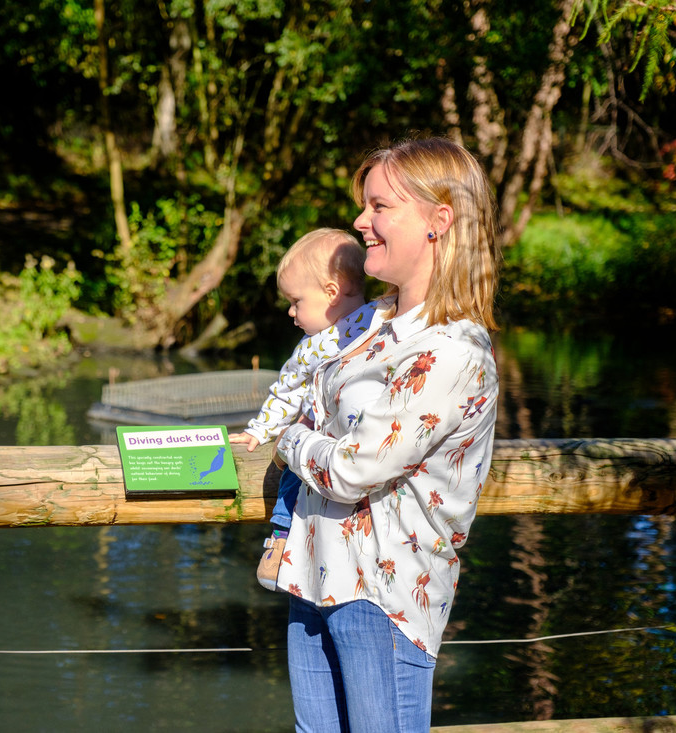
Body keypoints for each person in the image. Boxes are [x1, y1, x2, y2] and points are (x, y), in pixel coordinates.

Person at [274, 137, 501, 732]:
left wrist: (290, 441)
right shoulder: (370, 322)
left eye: (379, 207)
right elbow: (310, 405)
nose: (360, 222)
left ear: (438, 220)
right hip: (313, 576)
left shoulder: (451, 348)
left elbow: (352, 469)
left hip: (383, 598)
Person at [227, 228, 377, 591]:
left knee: (293, 476)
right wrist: (260, 432)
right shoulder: (383, 319)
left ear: (330, 292)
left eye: (296, 302)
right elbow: (288, 392)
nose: (292, 313)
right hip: (342, 445)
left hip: (340, 444)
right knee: (296, 473)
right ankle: (284, 537)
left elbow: (286, 391)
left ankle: (281, 539)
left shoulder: (323, 342)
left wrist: (261, 430)